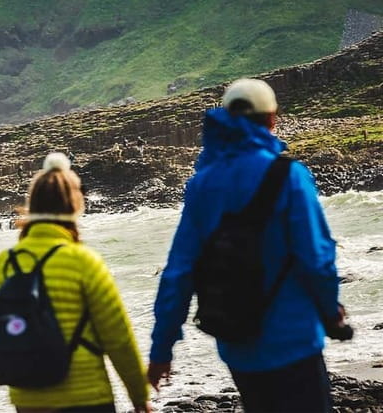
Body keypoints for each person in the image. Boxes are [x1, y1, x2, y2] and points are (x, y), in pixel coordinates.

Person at [148, 78, 347, 412]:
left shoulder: (202, 184)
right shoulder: (290, 176)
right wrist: (331, 313)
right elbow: (317, 257)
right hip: (295, 338)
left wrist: (161, 350)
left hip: (237, 343)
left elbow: (179, 273)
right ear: (272, 119)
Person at [0, 152, 151, 413]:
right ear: (75, 205)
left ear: (32, 206)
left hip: (28, 399)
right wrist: (139, 396)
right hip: (86, 396)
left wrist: (27, 356)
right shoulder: (83, 261)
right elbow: (118, 337)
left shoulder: (1, 264)